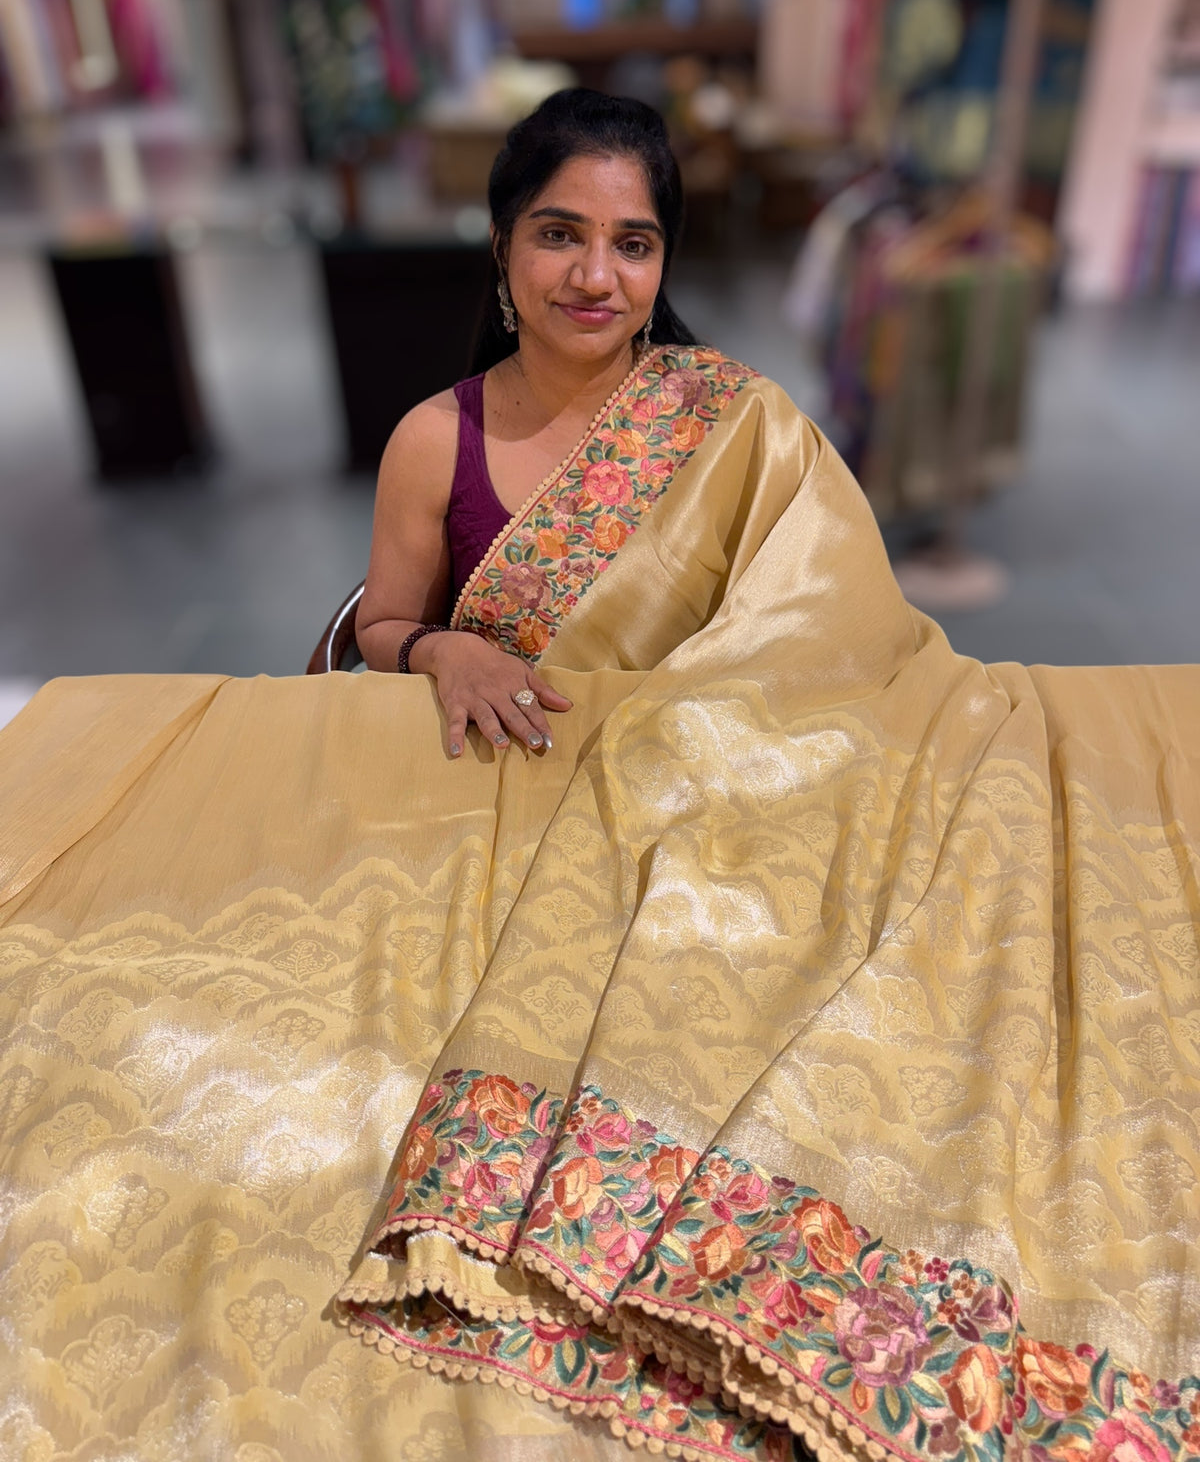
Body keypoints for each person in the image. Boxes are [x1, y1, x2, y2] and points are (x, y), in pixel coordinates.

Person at [0, 91, 1197, 1462]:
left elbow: (840, 637)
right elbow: (378, 623)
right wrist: (437, 644)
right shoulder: (434, 439)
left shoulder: (730, 425)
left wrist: (725, 747)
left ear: (664, 264)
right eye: (560, 234)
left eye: (633, 243)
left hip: (719, 800)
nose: (596, 275)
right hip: (493, 797)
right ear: (503, 246)